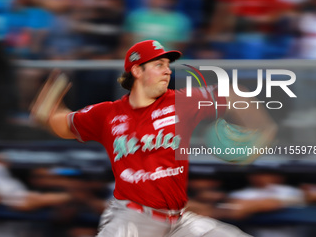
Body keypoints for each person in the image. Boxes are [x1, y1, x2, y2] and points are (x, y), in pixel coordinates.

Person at [32, 39, 277, 236]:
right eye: (159, 64)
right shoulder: (107, 114)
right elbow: (63, 124)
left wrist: (263, 130)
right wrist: (46, 109)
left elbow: (233, 93)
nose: (167, 70)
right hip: (133, 219)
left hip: (178, 221)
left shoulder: (181, 102)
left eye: (167, 65)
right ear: (137, 70)